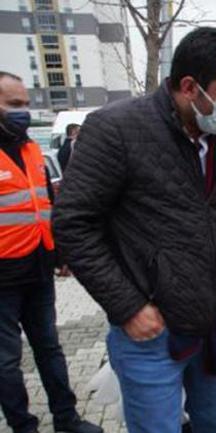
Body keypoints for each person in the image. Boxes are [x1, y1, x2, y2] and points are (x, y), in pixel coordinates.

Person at [52, 28, 216, 433]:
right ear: (189, 86)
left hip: (214, 322)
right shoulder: (115, 129)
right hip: (150, 331)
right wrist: (127, 306)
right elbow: (73, 224)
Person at [0, 72, 102, 433]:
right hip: (3, 279)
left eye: (25, 104)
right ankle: (23, 426)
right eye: (14, 105)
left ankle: (66, 418)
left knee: (50, 349)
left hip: (38, 269)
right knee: (6, 362)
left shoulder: (31, 152)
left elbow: (47, 207)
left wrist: (60, 255)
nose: (23, 111)